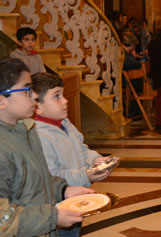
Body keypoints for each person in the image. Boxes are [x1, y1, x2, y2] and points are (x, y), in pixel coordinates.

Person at [0, 58, 94, 236]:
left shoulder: (26, 128)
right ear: (1, 100)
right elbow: (3, 219)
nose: (34, 96)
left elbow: (37, 178)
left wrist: (63, 190)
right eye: (27, 90)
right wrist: (52, 218)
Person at [32, 72, 114, 236]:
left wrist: (97, 159)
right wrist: (85, 176)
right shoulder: (39, 136)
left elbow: (81, 149)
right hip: (58, 210)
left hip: (75, 200)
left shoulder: (64, 122)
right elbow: (52, 176)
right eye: (57, 96)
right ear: (37, 106)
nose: (65, 100)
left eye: (63, 94)